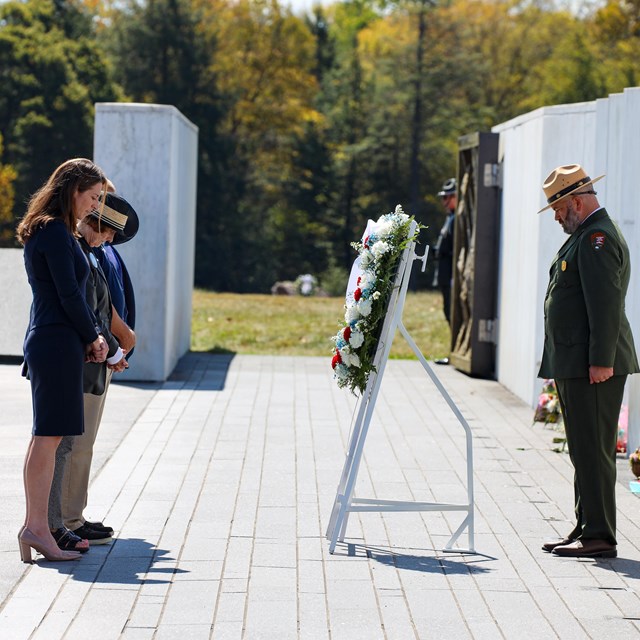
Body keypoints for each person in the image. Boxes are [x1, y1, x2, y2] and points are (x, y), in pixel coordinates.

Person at [537, 164, 639, 559]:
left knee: (594, 449)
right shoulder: (585, 235)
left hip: (592, 366)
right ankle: (586, 525)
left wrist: (600, 361)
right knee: (582, 447)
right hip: (578, 363)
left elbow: (606, 306)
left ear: (577, 202)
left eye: (560, 210)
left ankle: (599, 535)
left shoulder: (596, 238)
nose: (558, 218)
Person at [16, 158, 109, 563]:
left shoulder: (56, 231)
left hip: (57, 343)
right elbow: (69, 294)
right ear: (73, 190)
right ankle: (37, 528)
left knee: (46, 439)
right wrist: (94, 336)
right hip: (55, 344)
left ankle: (35, 526)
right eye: (92, 197)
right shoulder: (53, 231)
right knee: (48, 438)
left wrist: (89, 338)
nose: (94, 206)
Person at [48, 194, 136, 551]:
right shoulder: (76, 250)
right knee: (74, 445)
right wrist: (114, 347)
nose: (111, 239)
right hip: (86, 359)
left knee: (82, 445)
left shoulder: (89, 252)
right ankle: (67, 520)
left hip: (95, 360)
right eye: (108, 229)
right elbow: (87, 308)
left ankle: (73, 516)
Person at [433, 177, 457, 365]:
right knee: (449, 314)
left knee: (453, 314)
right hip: (444, 273)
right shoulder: (451, 217)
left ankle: (456, 353)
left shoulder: (457, 219)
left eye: (447, 196)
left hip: (450, 275)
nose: (444, 201)